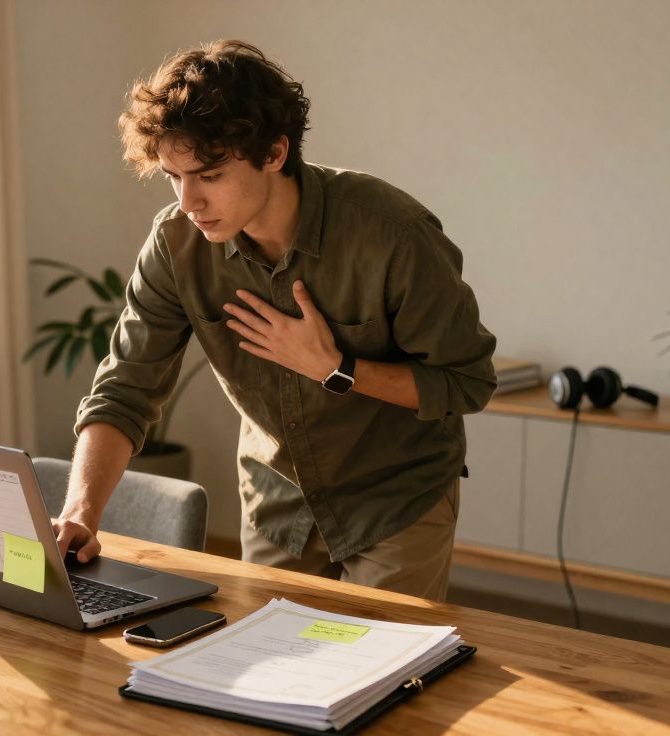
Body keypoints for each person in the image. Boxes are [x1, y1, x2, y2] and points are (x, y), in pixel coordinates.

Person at [52, 40, 496, 601]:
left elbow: (467, 383)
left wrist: (337, 368)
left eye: (209, 175)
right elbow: (124, 390)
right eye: (172, 176)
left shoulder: (392, 235)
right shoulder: (175, 246)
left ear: (274, 153)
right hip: (277, 502)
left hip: (395, 500)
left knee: (382, 678)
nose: (188, 201)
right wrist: (80, 512)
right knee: (267, 670)